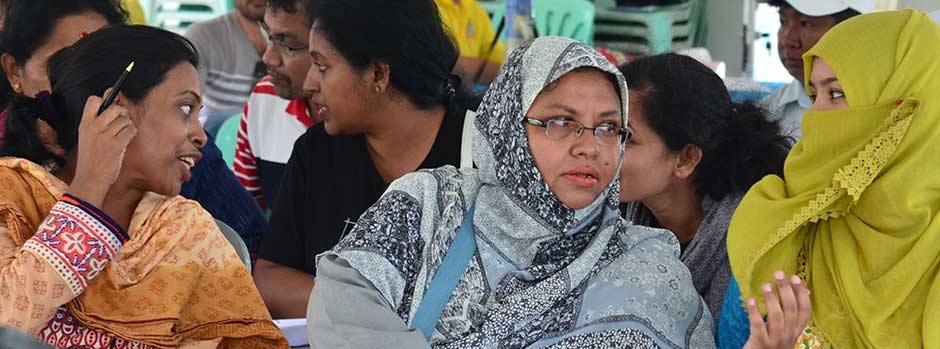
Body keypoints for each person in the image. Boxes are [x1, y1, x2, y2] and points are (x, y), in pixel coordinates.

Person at [307, 36, 714, 348]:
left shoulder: (646, 270)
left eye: (608, 127)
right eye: (560, 121)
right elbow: (342, 304)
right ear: (509, 127)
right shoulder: (433, 203)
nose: (589, 146)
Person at [0, 24, 287, 348]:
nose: (200, 135)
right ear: (116, 108)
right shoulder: (12, 195)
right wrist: (89, 192)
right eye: (184, 109)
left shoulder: (185, 230)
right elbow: (7, 320)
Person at [721, 9, 940, 348]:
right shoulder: (783, 232)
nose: (816, 114)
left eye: (836, 94)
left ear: (904, 107)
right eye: (814, 94)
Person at [253, 0, 474, 319]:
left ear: (378, 74)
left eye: (323, 66)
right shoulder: (317, 152)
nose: (309, 83)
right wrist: (374, 315)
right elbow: (271, 277)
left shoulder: (479, 151)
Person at [0, 0, 269, 252]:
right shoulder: (9, 181)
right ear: (14, 70)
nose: (96, 82)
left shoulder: (182, 155)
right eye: (65, 62)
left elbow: (251, 247)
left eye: (106, 63)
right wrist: (90, 186)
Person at [617, 53, 791, 326]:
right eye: (603, 128)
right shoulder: (610, 220)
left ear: (686, 159)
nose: (597, 149)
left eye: (624, 137)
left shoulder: (753, 249)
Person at [235, 0, 319, 208]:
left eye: (287, 44)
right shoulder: (265, 98)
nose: (268, 58)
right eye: (269, 36)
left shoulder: (372, 118)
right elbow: (245, 216)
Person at [759, 0, 871, 139]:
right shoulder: (767, 112)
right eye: (783, 21)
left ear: (849, 29)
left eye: (806, 23)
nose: (788, 40)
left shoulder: (884, 111)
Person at [185, 0, 268, 136]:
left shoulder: (303, 37)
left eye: (284, 43)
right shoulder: (203, 35)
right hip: (219, 138)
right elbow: (186, 103)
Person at [434, 0, 506, 85]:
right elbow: (440, 66)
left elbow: (503, 61)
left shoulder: (474, 8)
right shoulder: (424, 7)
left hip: (463, 94)